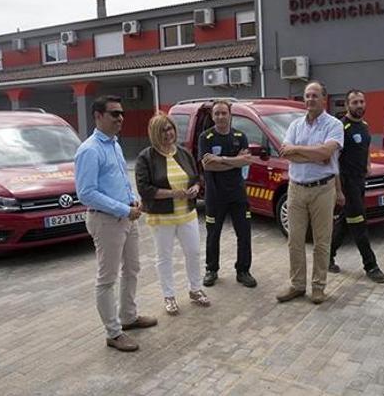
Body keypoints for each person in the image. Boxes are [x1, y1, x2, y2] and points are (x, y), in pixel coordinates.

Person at [75, 95, 157, 353]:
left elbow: (119, 180)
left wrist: (132, 200)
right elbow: (86, 193)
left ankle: (128, 317)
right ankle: (113, 332)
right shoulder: (89, 150)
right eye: (114, 114)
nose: (120, 118)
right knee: (107, 278)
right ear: (98, 116)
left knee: (132, 268)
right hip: (106, 220)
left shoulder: (114, 145)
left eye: (121, 113)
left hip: (126, 217)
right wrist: (123, 208)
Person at [135, 113, 211, 316]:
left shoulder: (184, 153)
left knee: (193, 252)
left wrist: (195, 187)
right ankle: (169, 296)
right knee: (164, 257)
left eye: (170, 128)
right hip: (162, 217)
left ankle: (195, 289)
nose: (168, 133)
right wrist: (172, 193)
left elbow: (196, 177)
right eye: (162, 130)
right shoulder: (146, 157)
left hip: (187, 213)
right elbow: (144, 189)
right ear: (154, 133)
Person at [276, 81, 344, 304]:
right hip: (295, 189)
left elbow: (326, 152)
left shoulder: (334, 125)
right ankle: (297, 285)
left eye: (315, 95)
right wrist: (314, 154)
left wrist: (299, 150)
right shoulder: (295, 125)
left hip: (323, 190)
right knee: (294, 241)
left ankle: (318, 287)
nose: (310, 99)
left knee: (322, 242)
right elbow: (288, 153)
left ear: (324, 99)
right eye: (307, 96)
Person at [329, 90, 384, 283]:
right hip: (347, 183)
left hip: (360, 181)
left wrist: (368, 164)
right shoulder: (340, 127)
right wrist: (338, 190)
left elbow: (365, 148)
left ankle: (326, 257)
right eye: (355, 102)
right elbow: (333, 160)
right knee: (359, 224)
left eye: (362, 101)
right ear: (347, 105)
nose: (359, 105)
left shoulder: (364, 126)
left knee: (346, 221)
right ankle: (371, 265)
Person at [199, 100, 257, 288]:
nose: (220, 117)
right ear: (212, 116)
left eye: (224, 113)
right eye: (217, 114)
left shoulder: (240, 136)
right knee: (213, 234)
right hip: (215, 195)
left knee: (244, 233)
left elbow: (246, 161)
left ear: (230, 114)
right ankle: (211, 269)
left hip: (237, 195)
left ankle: (243, 270)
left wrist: (221, 159)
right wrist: (235, 160)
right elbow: (208, 165)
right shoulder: (205, 138)